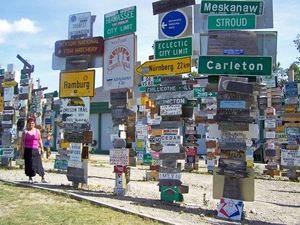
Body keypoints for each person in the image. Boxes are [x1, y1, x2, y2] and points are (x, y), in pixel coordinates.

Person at [20, 117, 49, 184]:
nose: (31, 125)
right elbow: (22, 141)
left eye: (32, 123)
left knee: (39, 163)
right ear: (27, 124)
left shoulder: (37, 131)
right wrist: (22, 150)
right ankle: (30, 178)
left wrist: (42, 148)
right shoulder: (25, 131)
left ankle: (43, 177)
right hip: (28, 149)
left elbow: (39, 140)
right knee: (29, 164)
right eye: (30, 123)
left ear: (34, 124)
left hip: (35, 149)